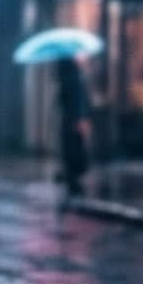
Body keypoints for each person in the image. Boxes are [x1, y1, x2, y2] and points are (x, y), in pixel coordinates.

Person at [54, 57, 92, 197]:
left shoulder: (67, 75)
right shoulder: (73, 75)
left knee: (72, 149)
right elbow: (78, 99)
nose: (82, 56)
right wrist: (81, 118)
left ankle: (73, 182)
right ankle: (74, 184)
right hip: (75, 120)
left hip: (71, 119)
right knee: (75, 150)